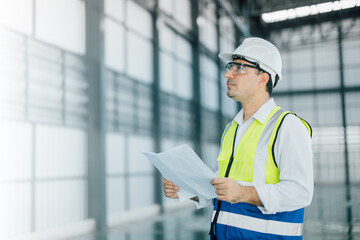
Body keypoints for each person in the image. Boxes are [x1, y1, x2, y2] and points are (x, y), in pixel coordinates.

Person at [162, 37, 313, 240]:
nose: (228, 74)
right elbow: (224, 189)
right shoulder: (233, 128)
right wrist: (187, 191)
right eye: (230, 66)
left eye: (240, 68)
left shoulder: (287, 126)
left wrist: (244, 193)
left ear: (263, 79)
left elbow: (301, 192)